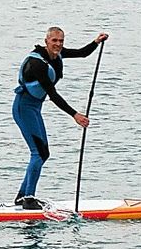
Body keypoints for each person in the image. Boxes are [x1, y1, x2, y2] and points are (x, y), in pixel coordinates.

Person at [12, 26, 109, 209]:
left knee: (43, 153)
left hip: (34, 109)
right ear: (46, 41)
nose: (58, 44)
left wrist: (96, 42)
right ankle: (28, 199)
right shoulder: (37, 64)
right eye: (54, 41)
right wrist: (75, 115)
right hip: (23, 108)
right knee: (38, 153)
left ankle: (22, 196)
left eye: (61, 41)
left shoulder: (57, 54)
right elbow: (53, 94)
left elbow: (82, 53)